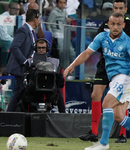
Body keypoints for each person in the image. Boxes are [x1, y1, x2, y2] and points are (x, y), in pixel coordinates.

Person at [64, 12, 130, 150]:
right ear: (109, 24)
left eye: (119, 24)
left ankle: (104, 143)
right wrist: (72, 65)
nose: (116, 27)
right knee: (118, 117)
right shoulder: (102, 37)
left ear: (124, 25)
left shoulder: (127, 41)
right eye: (113, 24)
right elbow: (87, 53)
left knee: (106, 102)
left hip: (124, 78)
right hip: (113, 79)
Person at [79, 0, 130, 143]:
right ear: (112, 8)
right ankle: (94, 132)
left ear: (125, 9)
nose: (118, 9)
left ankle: (122, 135)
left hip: (123, 67)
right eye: (116, 7)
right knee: (96, 94)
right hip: (105, 64)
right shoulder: (106, 23)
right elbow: (98, 43)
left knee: (119, 99)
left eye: (121, 7)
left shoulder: (128, 25)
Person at [5, 9, 41, 111]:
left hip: (25, 69)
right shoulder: (23, 30)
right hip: (20, 68)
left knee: (19, 93)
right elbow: (14, 47)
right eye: (39, 19)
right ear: (35, 19)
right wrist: (25, 61)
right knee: (22, 92)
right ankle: (9, 116)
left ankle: (9, 115)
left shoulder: (30, 31)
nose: (40, 21)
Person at [22, 38, 65, 112]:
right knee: (21, 94)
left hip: (50, 91)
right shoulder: (29, 62)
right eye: (39, 48)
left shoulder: (55, 62)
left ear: (47, 49)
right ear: (35, 48)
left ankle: (64, 118)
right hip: (34, 91)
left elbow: (61, 82)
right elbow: (25, 78)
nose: (41, 50)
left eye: (43, 48)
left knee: (59, 95)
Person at [0, 1, 20, 70]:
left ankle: (14, 67)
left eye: (18, 10)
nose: (16, 11)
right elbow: (3, 37)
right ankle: (3, 67)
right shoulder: (2, 18)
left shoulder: (16, 19)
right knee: (7, 43)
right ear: (9, 9)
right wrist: (15, 41)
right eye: (14, 9)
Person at [46, 0, 72, 69]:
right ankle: (63, 69)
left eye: (64, 3)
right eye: (60, 3)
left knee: (72, 52)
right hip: (57, 34)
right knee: (62, 52)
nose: (62, 5)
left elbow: (64, 24)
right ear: (57, 3)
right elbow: (48, 24)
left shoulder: (65, 12)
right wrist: (52, 35)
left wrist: (68, 22)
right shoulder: (54, 12)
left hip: (65, 35)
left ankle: (72, 69)